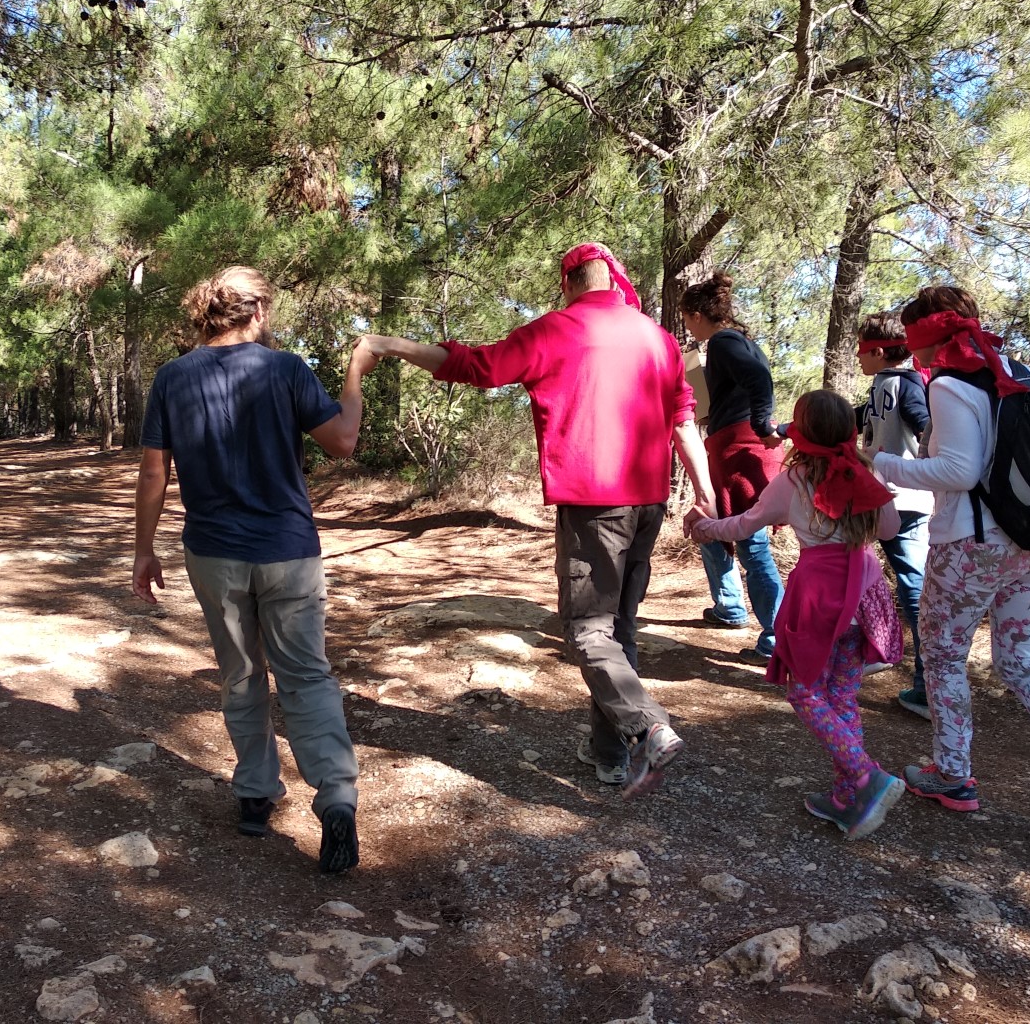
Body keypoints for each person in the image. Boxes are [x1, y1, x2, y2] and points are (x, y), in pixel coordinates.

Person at [359, 243, 716, 797]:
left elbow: (474, 366)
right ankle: (609, 753)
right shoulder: (659, 337)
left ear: (572, 281)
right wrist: (705, 490)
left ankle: (648, 726)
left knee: (588, 630)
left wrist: (391, 345)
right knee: (618, 628)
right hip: (650, 502)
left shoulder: (558, 329)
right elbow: (683, 420)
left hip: (595, 503)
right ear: (614, 281)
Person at [132, 265, 376, 873]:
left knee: (241, 672)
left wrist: (143, 548)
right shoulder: (287, 370)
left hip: (212, 551)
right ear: (259, 312)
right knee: (306, 677)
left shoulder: (172, 378)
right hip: (288, 550)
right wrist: (356, 373)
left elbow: (154, 473)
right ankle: (337, 798)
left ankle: (253, 794)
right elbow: (342, 441)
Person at [875, 286, 1030, 833]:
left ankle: (953, 774)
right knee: (1022, 664)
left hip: (973, 544)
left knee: (942, 658)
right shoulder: (1011, 368)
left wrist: (887, 464)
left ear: (925, 337)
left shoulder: (950, 381)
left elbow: (959, 472)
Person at [689, 390, 906, 840]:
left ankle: (866, 775)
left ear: (802, 430)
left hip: (819, 599)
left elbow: (746, 524)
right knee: (842, 696)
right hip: (864, 593)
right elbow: (889, 528)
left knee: (804, 692)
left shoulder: (794, 480)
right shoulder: (865, 470)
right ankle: (848, 796)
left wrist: (706, 526)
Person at [680, 272, 785, 663]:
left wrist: (761, 423)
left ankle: (777, 638)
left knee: (752, 545)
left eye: (687, 319)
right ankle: (729, 607)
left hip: (740, 449)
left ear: (696, 315)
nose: (688, 327)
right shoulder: (741, 341)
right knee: (712, 527)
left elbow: (758, 381)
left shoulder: (723, 341)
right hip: (731, 444)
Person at [856, 311, 932, 711]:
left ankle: (926, 687)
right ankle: (875, 650)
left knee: (914, 590)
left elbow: (925, 425)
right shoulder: (882, 386)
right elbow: (859, 420)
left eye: (861, 349)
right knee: (859, 572)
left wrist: (929, 464)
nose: (856, 356)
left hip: (905, 501)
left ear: (880, 351)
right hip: (881, 498)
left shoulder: (908, 385)